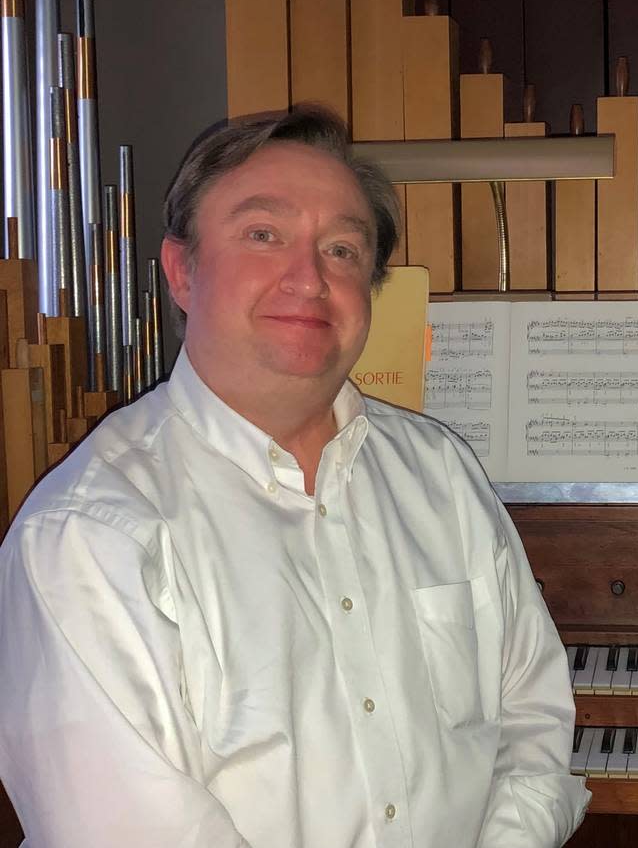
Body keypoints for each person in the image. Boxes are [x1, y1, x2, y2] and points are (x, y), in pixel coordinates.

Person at [0, 106, 589, 847]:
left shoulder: (442, 472)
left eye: (342, 249)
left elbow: (532, 723)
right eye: (263, 234)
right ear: (182, 270)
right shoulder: (85, 534)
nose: (309, 278)